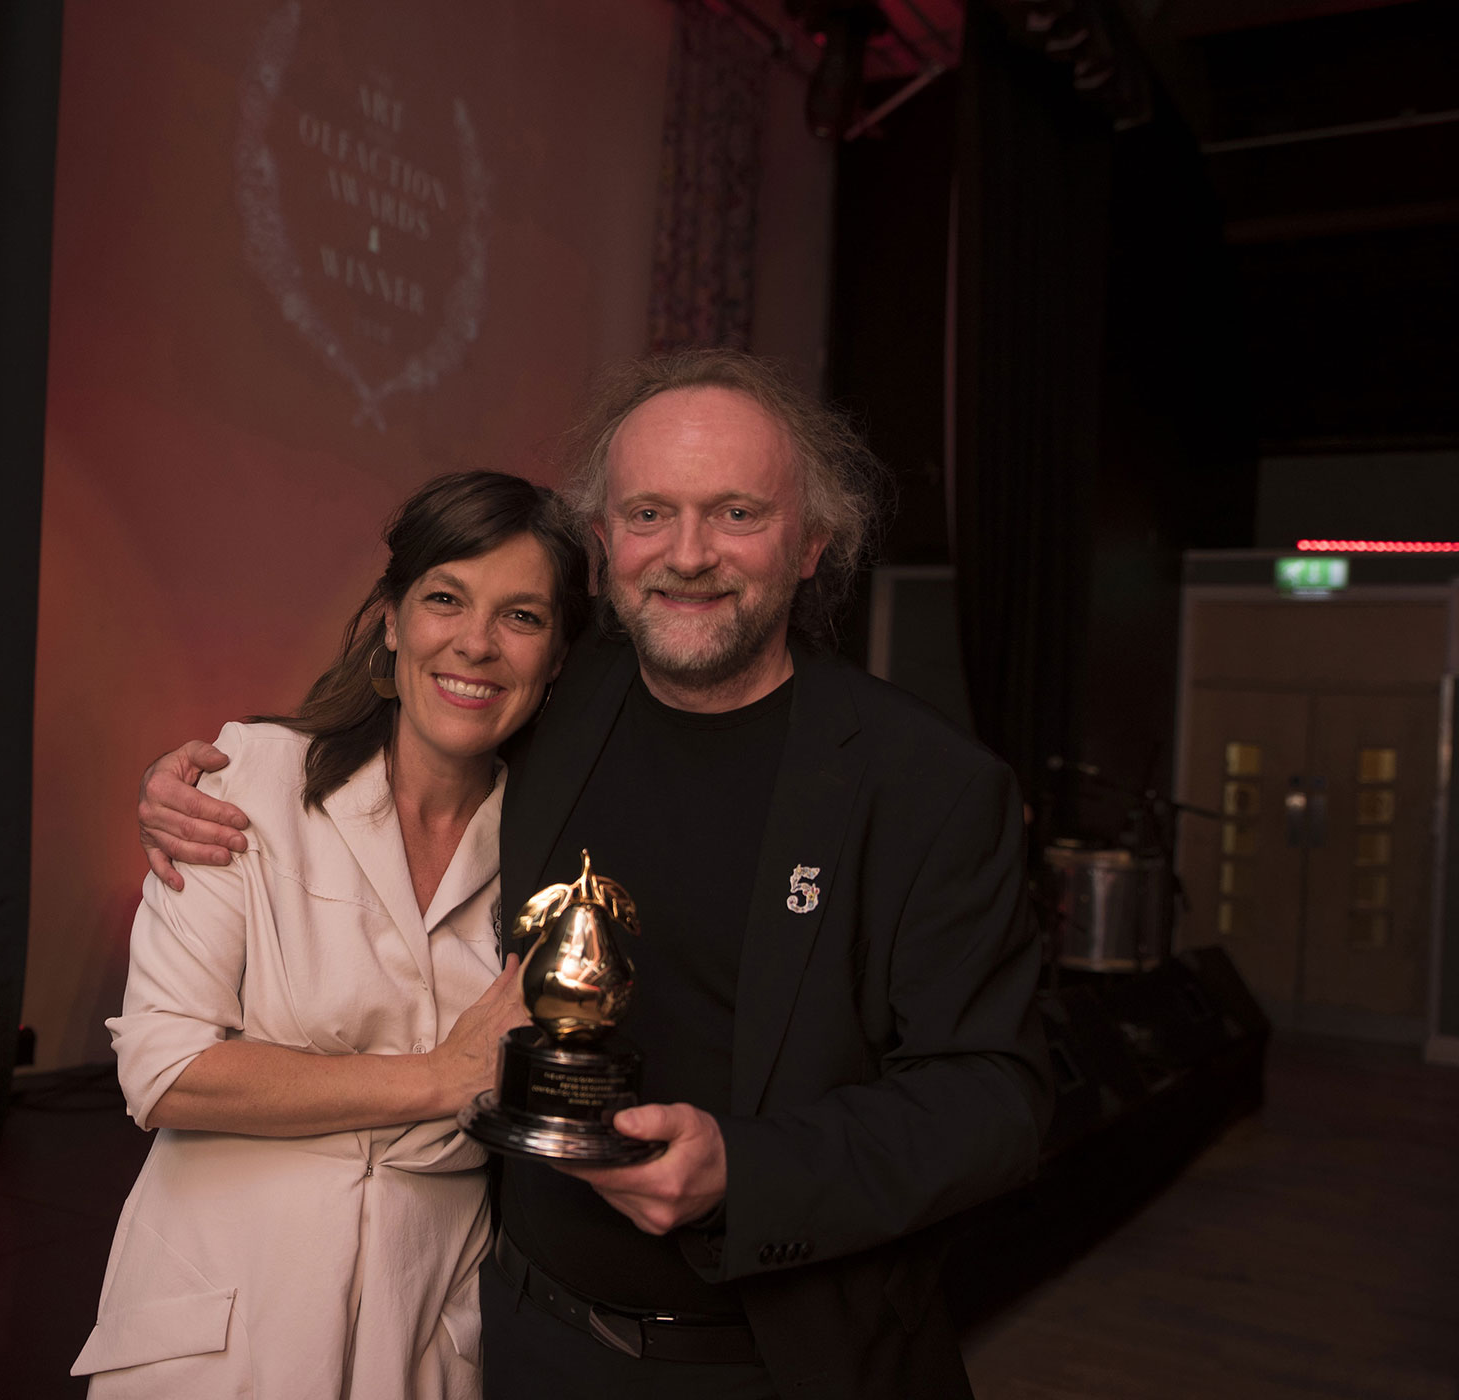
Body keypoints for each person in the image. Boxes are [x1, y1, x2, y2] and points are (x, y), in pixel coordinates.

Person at [138, 349, 1051, 1400]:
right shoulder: (549, 704)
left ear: (812, 544)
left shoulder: (927, 783)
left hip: (771, 1364)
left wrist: (743, 1172)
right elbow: (393, 730)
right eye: (651, 512)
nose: (689, 554)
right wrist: (205, 777)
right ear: (605, 540)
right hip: (522, 1339)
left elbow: (996, 1099)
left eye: (738, 513)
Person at [73, 471, 594, 1399]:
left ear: (558, 657)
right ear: (391, 620)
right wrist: (438, 1076)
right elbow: (165, 1071)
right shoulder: (248, 787)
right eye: (445, 599)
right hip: (222, 1322)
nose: (475, 644)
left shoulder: (557, 853)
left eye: (522, 616)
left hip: (427, 1326)